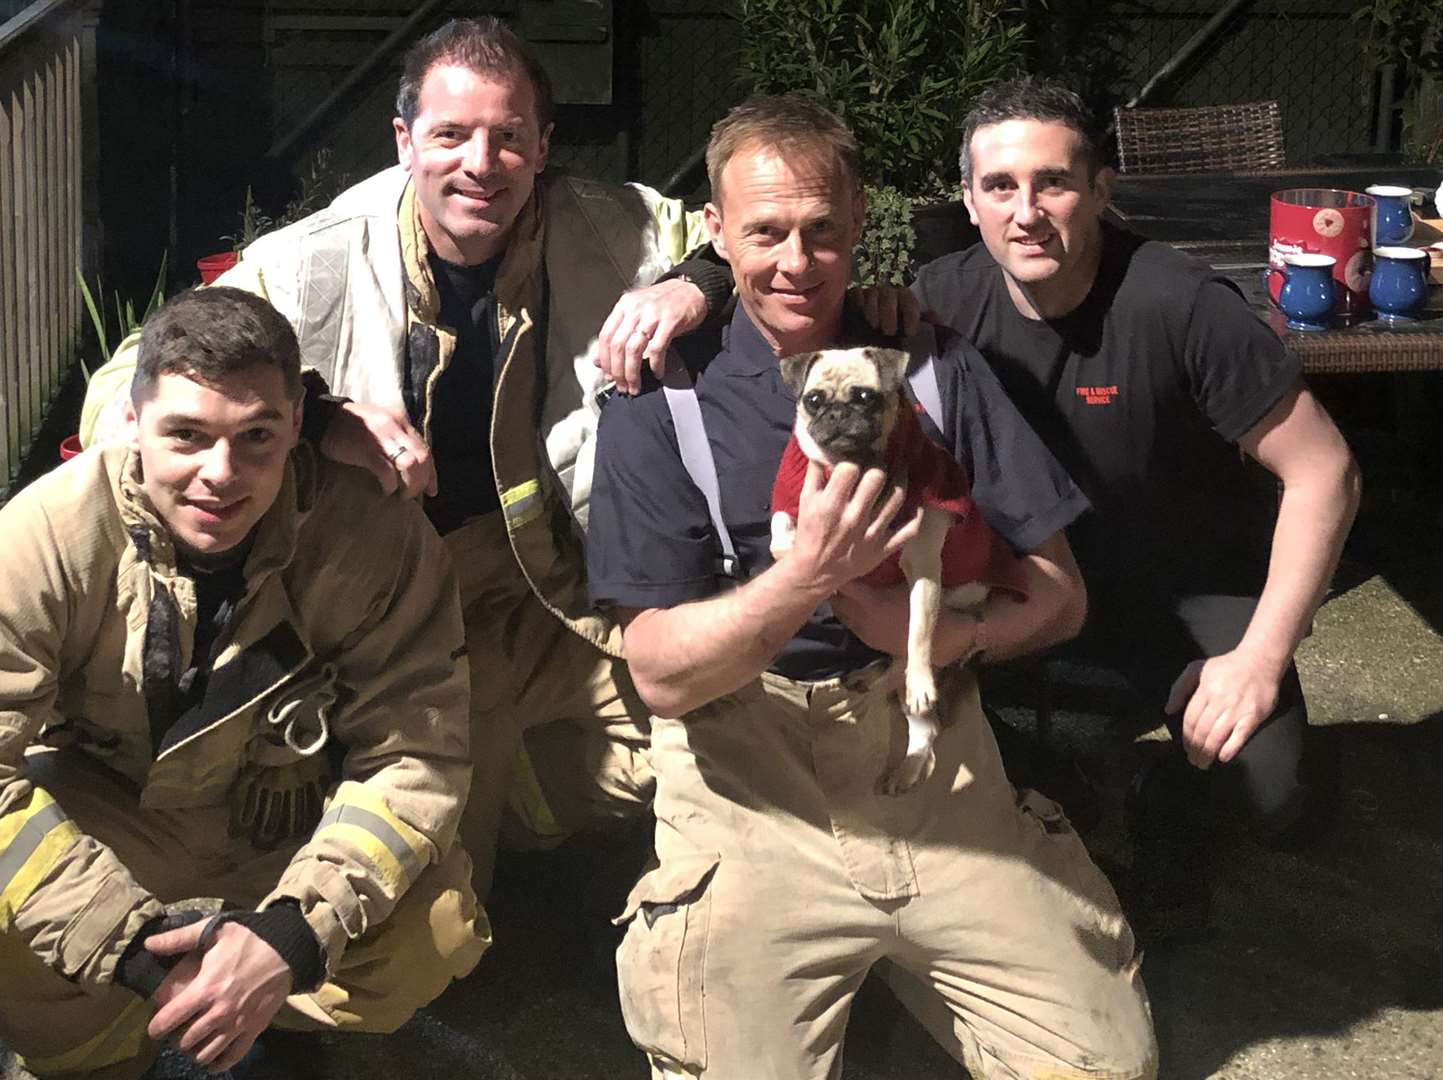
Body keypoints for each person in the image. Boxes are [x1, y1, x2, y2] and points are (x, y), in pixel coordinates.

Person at [79, 17, 740, 898]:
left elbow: (745, 233)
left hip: (539, 574)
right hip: (381, 586)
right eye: (451, 135)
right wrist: (317, 415)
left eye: (509, 136)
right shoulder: (314, 258)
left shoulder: (614, 224)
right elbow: (124, 396)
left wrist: (694, 284)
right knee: (432, 884)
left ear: (543, 146)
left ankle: (507, 812)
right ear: (403, 143)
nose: (481, 162)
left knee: (709, 715)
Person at [586, 94, 1156, 1080]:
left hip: (931, 761)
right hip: (750, 779)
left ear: (857, 225)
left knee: (1105, 1066)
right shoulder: (661, 398)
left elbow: (1059, 598)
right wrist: (806, 579)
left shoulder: (930, 367)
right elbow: (662, 677)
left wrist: (919, 635)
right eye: (764, 232)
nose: (796, 264)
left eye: (820, 232)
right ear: (715, 233)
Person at [0, 288, 489, 1080]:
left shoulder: (372, 532)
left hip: (288, 814)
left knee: (433, 924)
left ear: (301, 423)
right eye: (186, 436)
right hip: (120, 811)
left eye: (256, 437)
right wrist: (129, 949)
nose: (220, 476)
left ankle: (265, 1007)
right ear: (131, 422)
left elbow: (417, 757)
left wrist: (292, 937)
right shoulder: (54, 533)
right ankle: (108, 1055)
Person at [910, 78, 1361, 927]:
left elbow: (1324, 472)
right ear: (969, 202)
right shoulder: (939, 299)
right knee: (923, 739)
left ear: (1101, 190)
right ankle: (1060, 772)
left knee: (1278, 802)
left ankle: (1162, 789)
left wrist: (1259, 657)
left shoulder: (1177, 303)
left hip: (1187, 587)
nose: (1027, 211)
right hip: (1036, 579)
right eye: (1000, 186)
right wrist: (695, 284)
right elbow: (791, 306)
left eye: (1055, 182)